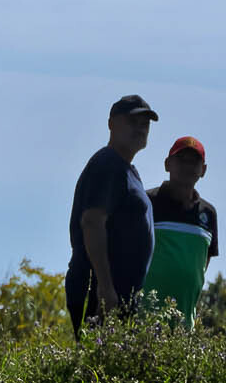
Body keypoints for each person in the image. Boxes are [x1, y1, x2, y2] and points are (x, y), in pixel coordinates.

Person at [67, 94, 158, 338]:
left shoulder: (126, 170)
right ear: (111, 124)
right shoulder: (108, 164)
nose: (140, 128)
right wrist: (105, 287)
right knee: (95, 359)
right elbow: (92, 222)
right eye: (132, 121)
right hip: (102, 293)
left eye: (145, 123)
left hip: (119, 294)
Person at [140, 136, 219, 328]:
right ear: (167, 164)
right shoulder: (146, 202)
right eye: (181, 160)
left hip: (184, 324)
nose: (187, 166)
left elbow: (202, 263)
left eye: (194, 162)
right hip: (143, 319)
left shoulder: (208, 214)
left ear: (203, 170)